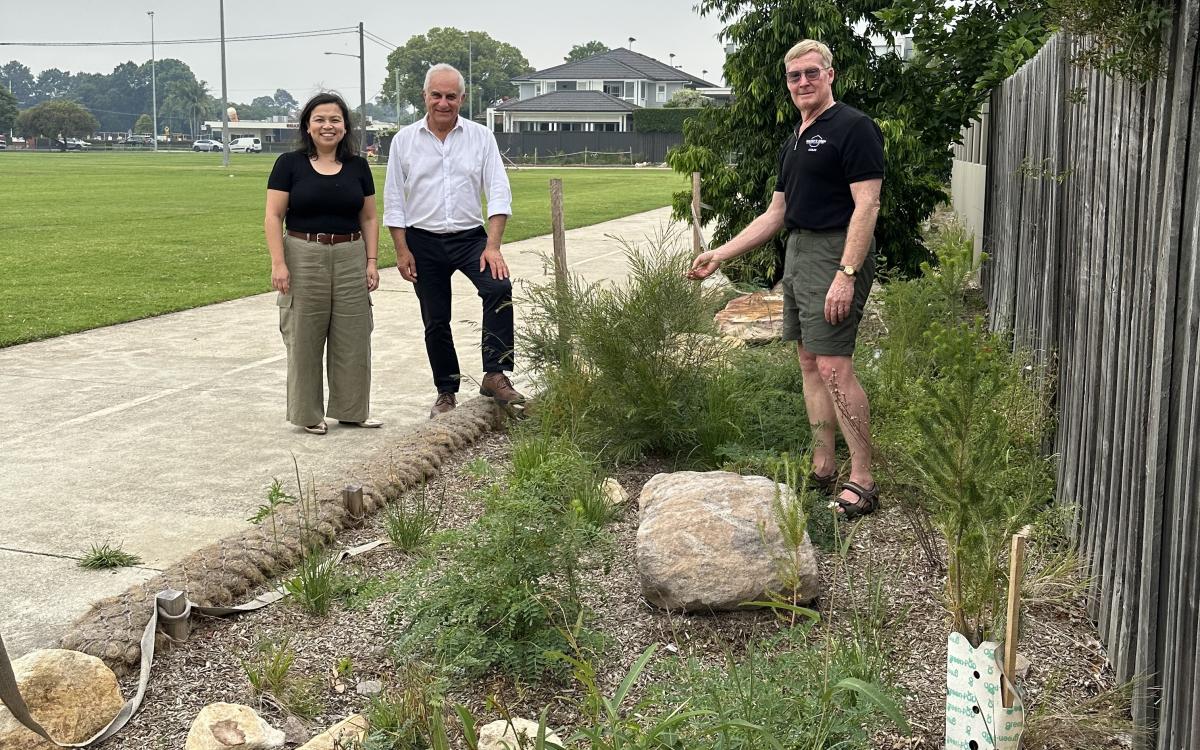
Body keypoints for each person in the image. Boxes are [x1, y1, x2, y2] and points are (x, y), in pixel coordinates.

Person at [689, 39, 885, 519]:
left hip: (835, 250)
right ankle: (823, 466)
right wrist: (721, 253)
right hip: (798, 250)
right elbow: (776, 213)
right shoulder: (796, 137)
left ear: (830, 74)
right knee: (808, 362)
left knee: (835, 365)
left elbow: (868, 204)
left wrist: (846, 272)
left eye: (811, 73)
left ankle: (862, 478)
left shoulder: (853, 127)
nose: (803, 82)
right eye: (794, 76)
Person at [384, 63, 524, 419]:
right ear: (425, 96)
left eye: (451, 96)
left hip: (470, 238)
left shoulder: (480, 137)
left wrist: (492, 246)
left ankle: (495, 373)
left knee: (497, 287)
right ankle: (446, 391)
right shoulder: (404, 141)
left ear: (462, 98)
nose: (443, 103)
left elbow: (497, 191)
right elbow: (394, 201)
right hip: (422, 241)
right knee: (435, 318)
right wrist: (402, 250)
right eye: (437, 95)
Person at [264, 92, 382, 435]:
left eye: (335, 119)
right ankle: (307, 414)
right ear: (308, 125)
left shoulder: (358, 167)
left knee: (354, 337)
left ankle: (351, 410)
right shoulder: (290, 164)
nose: (327, 126)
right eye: (320, 119)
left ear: (345, 127)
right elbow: (273, 216)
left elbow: (370, 218)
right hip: (303, 254)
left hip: (350, 255)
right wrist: (278, 263)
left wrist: (371, 261)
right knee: (303, 337)